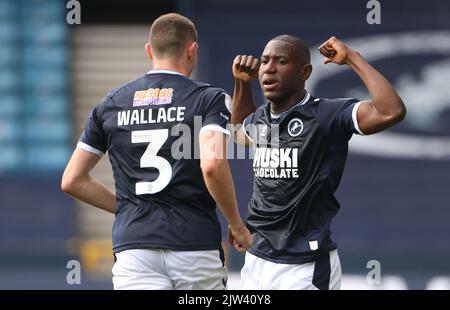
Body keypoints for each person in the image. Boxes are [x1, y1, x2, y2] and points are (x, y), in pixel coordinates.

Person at [61, 13, 252, 290]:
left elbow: (72, 180)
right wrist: (236, 224)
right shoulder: (209, 99)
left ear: (149, 50)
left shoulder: (110, 104)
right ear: (192, 50)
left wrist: (128, 209)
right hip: (193, 245)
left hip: (134, 248)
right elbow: (212, 165)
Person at [230, 35, 406, 290]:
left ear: (305, 72)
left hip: (304, 265)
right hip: (256, 259)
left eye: (281, 61)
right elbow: (238, 133)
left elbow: (391, 111)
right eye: (265, 61)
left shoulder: (327, 115)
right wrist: (242, 84)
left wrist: (352, 58)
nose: (269, 67)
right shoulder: (261, 118)